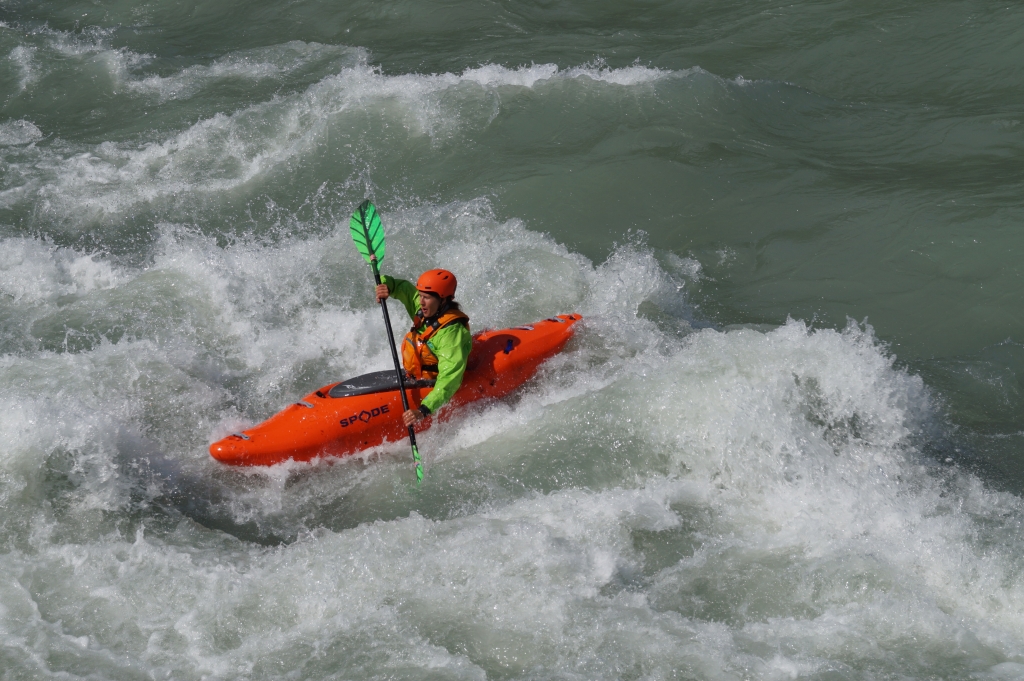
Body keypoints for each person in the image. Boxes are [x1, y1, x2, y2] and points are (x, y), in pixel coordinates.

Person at [375, 269, 471, 427]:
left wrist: (424, 410)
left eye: (426, 297)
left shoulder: (451, 334)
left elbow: (449, 378)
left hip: (435, 384)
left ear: (443, 300)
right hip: (415, 375)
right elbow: (403, 287)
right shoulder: (424, 309)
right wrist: (385, 285)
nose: (421, 301)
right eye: (420, 295)